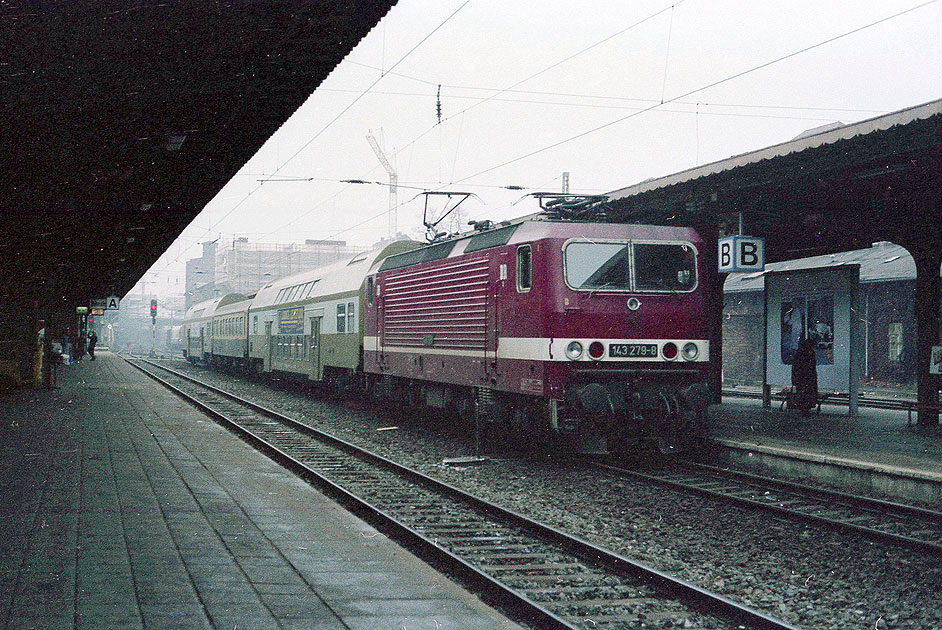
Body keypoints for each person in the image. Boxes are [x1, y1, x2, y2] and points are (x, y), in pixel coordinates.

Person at [791, 335, 819, 414]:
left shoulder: (800, 352)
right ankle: (805, 408)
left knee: (804, 392)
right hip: (807, 377)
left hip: (803, 376)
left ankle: (804, 407)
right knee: (807, 393)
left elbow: (795, 366)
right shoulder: (810, 353)